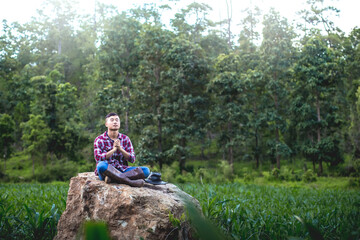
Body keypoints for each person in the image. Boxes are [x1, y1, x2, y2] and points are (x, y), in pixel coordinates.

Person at [94, 112, 150, 187]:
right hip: (107, 170)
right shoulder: (99, 139)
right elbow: (98, 158)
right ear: (106, 124)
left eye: (117, 120)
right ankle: (129, 182)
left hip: (122, 169)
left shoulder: (125, 139)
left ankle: (114, 178)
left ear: (120, 123)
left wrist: (120, 149)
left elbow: (132, 159)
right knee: (100, 166)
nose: (115, 122)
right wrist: (113, 150)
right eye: (112, 120)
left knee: (146, 171)